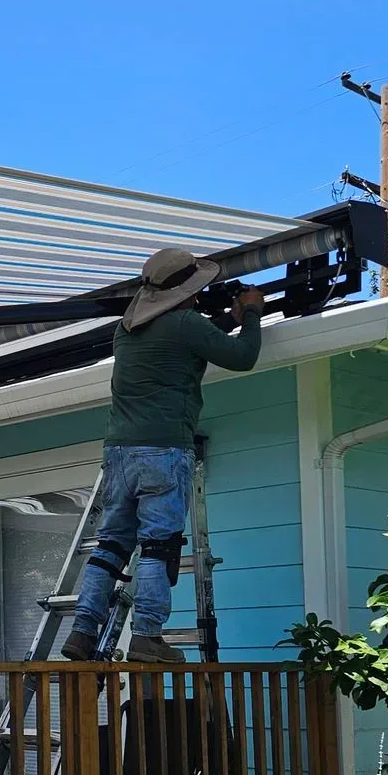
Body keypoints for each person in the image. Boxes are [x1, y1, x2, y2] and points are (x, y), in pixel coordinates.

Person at [60, 247, 264, 664]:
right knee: (159, 545)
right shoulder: (186, 323)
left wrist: (229, 319)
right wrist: (253, 314)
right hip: (164, 448)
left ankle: (82, 630)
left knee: (112, 544)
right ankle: (147, 636)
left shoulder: (128, 328)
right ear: (187, 291)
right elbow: (242, 357)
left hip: (119, 451)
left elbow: (194, 339)